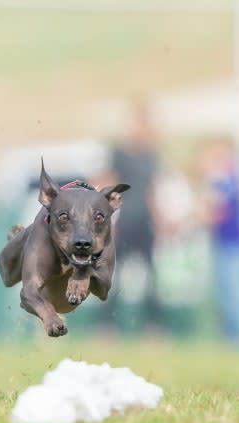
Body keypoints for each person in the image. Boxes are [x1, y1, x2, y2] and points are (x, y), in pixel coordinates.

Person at [96, 99, 164, 332]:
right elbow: (109, 184)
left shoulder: (151, 155)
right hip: (124, 220)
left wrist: (158, 219)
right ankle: (106, 327)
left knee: (151, 278)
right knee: (114, 276)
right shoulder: (119, 153)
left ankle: (153, 327)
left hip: (144, 222)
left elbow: (151, 190)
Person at [196, 137, 239, 348]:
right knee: (227, 292)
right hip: (226, 242)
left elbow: (214, 211)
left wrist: (192, 218)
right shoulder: (231, 177)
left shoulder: (225, 178)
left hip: (232, 243)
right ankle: (234, 340)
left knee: (234, 293)